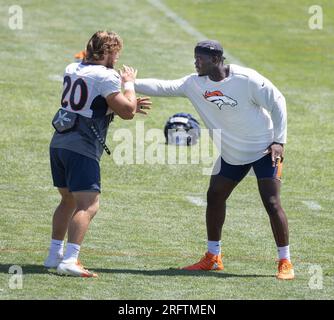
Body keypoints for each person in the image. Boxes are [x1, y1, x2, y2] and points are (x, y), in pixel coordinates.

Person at [134, 40, 294, 280]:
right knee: (215, 195)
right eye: (195, 58)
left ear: (217, 60)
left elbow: (277, 101)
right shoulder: (194, 84)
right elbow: (162, 86)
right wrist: (127, 82)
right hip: (231, 155)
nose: (196, 62)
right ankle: (213, 257)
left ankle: (285, 261)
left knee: (271, 202)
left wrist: (279, 141)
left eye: (200, 59)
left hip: (264, 151)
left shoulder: (246, 79)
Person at [44, 30, 151, 277]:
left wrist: (117, 106)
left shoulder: (72, 67)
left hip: (59, 141)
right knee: (89, 205)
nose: (116, 58)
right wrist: (129, 85)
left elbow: (90, 105)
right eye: (115, 53)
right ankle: (70, 260)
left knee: (67, 200)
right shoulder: (106, 76)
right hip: (81, 146)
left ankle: (53, 255)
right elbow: (127, 112)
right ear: (107, 51)